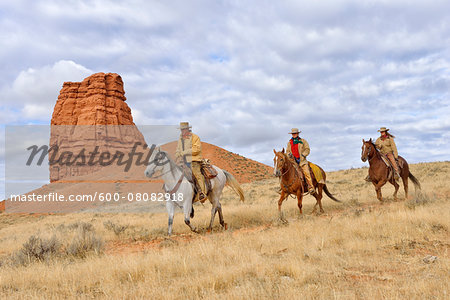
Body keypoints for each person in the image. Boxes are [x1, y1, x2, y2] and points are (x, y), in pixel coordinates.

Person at [175, 122, 207, 202]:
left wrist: (184, 152)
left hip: (194, 159)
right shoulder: (180, 139)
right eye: (181, 129)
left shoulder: (195, 137)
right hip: (184, 161)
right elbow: (178, 149)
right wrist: (177, 153)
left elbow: (197, 149)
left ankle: (202, 193)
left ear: (187, 129)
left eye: (183, 129)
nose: (182, 131)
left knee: (197, 174)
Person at [286, 128, 315, 194]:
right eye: (293, 134)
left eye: (295, 133)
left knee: (306, 173)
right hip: (293, 161)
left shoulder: (303, 141)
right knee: (286, 172)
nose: (294, 135)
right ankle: (284, 188)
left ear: (298, 134)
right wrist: (289, 154)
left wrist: (303, 154)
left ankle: (311, 187)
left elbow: (307, 149)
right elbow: (287, 151)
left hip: (302, 161)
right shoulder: (289, 142)